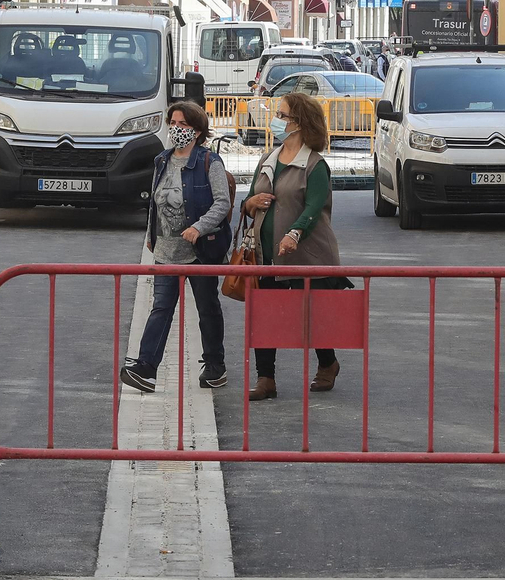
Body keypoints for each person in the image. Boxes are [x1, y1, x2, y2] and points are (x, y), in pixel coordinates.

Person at [121, 103, 233, 393]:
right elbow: (154, 204)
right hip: (166, 252)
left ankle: (214, 366)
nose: (175, 129)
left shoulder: (210, 162)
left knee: (207, 308)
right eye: (172, 122)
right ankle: (146, 368)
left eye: (181, 124)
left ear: (196, 131)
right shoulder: (162, 160)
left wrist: (199, 227)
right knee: (161, 308)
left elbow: (222, 203)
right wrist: (151, 235)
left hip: (200, 252)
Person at [242, 91, 347, 401]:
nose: (277, 120)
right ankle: (266, 379)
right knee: (266, 315)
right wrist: (251, 203)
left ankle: (328, 364)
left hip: (308, 255)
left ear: (299, 123)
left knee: (312, 315)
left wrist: (294, 234)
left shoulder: (315, 166)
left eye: (283, 115)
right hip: (267, 255)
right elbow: (249, 201)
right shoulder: (267, 159)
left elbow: (314, 208)